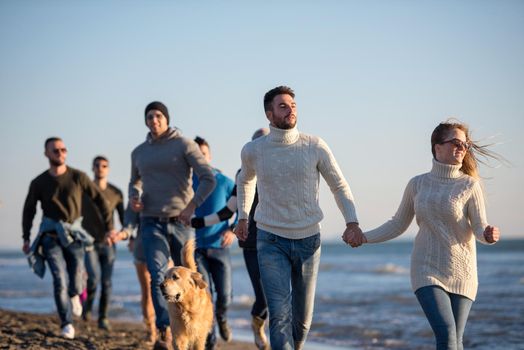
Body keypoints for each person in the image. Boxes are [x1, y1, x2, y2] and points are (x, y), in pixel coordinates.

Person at [344, 120, 501, 350]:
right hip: (426, 270)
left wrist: (487, 234)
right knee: (447, 334)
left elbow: (479, 226)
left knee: (456, 341)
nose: (461, 149)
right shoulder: (417, 184)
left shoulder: (469, 185)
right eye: (456, 143)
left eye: (464, 145)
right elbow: (398, 224)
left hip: (463, 272)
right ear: (437, 146)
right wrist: (363, 236)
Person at [235, 86, 362, 350]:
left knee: (302, 321)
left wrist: (352, 222)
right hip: (270, 239)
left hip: (308, 240)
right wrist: (243, 217)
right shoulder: (253, 150)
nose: (291, 109)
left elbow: (339, 185)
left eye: (293, 104)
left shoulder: (314, 145)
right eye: (283, 105)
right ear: (269, 114)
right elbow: (245, 181)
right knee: (279, 314)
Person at [126, 101, 216, 349]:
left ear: (166, 118)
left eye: (158, 115)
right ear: (145, 121)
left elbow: (208, 178)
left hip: (180, 220)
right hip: (150, 220)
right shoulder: (139, 152)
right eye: (149, 116)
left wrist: (191, 207)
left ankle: (207, 329)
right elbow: (134, 182)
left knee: (196, 276)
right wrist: (134, 196)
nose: (153, 120)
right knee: (158, 274)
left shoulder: (184, 145)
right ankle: (167, 329)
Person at [22, 137, 113, 339]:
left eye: (63, 149)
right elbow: (28, 210)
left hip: (74, 237)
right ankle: (66, 323)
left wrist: (109, 228)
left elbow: (100, 199)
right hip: (50, 237)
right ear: (46, 153)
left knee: (76, 282)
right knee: (58, 280)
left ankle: (74, 295)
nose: (60, 153)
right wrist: (26, 238)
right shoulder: (39, 182)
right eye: (55, 150)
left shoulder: (78, 177)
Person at [192, 136, 236, 350]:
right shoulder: (188, 181)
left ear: (210, 156)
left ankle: (222, 317)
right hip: (196, 248)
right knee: (204, 295)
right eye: (196, 155)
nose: (201, 158)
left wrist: (233, 229)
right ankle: (210, 341)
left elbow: (243, 204)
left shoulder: (225, 181)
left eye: (204, 154)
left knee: (225, 295)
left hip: (220, 245)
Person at [81, 156, 124, 330]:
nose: (100, 168)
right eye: (97, 166)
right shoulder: (84, 190)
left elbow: (123, 218)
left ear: (108, 169)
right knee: (93, 279)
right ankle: (88, 308)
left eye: (104, 166)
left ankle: (103, 317)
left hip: (109, 244)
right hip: (89, 243)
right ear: (92, 168)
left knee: (106, 282)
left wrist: (124, 235)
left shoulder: (116, 192)